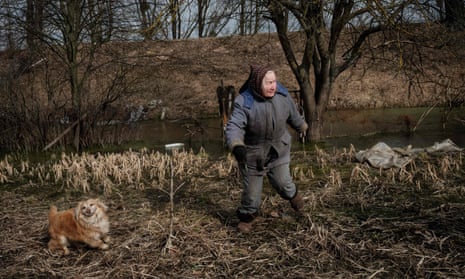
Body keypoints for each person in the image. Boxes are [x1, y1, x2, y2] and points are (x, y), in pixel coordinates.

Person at [225, 64, 308, 233]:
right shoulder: (244, 101)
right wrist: (236, 145)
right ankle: (247, 218)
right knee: (252, 194)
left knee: (284, 183)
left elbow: (293, 114)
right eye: (268, 83)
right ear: (257, 83)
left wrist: (301, 126)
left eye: (274, 82)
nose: (273, 86)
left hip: (279, 149)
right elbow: (234, 126)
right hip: (253, 153)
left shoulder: (282, 96)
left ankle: (296, 200)